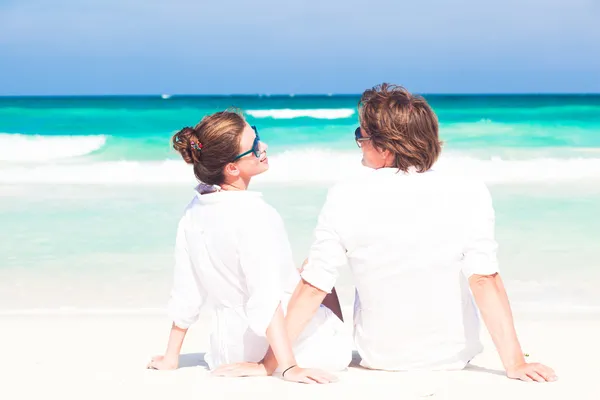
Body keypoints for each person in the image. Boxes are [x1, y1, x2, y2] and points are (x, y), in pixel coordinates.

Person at [222, 84, 557, 382]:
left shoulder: (346, 194)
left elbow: (315, 286)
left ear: (384, 148)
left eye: (361, 135)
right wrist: (513, 362)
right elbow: (484, 279)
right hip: (452, 356)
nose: (359, 143)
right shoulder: (470, 190)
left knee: (310, 268)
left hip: (379, 358)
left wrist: (269, 364)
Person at [146, 110, 351, 383]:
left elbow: (187, 289)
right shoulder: (257, 214)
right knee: (316, 274)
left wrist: (171, 356)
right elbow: (264, 297)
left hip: (226, 352)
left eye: (258, 137)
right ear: (231, 168)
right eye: (254, 147)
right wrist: (287, 367)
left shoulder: (193, 211)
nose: (263, 147)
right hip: (293, 350)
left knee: (301, 274)